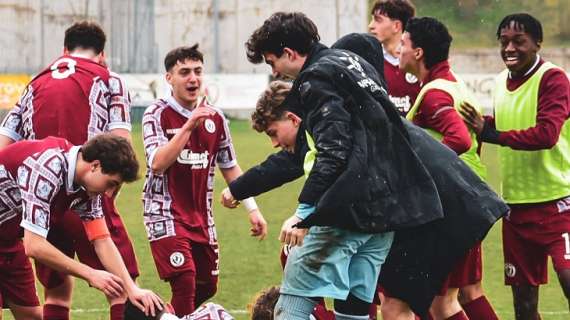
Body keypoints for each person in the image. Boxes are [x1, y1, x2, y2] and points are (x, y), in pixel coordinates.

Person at [223, 12, 508, 319]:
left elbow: (336, 152)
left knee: (299, 279)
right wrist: (240, 189)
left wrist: (303, 213)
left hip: (376, 203)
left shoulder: (314, 79)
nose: (275, 71)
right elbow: (306, 155)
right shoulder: (348, 62)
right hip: (390, 209)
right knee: (370, 298)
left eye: (271, 61)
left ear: (290, 54)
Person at [0, 21, 140, 320]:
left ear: (64, 50)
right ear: (102, 55)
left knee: (56, 291)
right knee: (119, 290)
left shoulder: (34, 83)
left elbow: (4, 141)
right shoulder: (109, 79)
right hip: (46, 197)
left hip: (35, 213)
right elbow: (122, 143)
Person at [141, 44, 267, 318]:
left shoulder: (216, 118)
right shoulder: (156, 114)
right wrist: (188, 127)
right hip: (164, 213)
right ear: (169, 78)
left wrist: (253, 209)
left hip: (201, 217)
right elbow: (158, 162)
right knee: (185, 280)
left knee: (206, 284)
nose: (193, 78)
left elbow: (230, 167)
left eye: (197, 71)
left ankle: (160, 316)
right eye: (184, 72)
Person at [460, 13, 570, 320]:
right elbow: (508, 125)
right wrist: (475, 128)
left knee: (568, 280)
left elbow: (546, 134)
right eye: (504, 41)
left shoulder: (553, 78)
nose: (510, 48)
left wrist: (490, 132)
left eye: (519, 41)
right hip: (517, 210)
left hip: (559, 203)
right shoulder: (498, 82)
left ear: (537, 43)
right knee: (523, 306)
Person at [0, 134, 163, 319]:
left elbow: (101, 239)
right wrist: (90, 273)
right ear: (94, 165)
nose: (109, 194)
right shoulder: (47, 168)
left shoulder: (85, 186)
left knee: (32, 316)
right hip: (13, 241)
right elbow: (34, 245)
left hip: (7, 244)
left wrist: (131, 288)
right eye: (111, 184)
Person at [400, 16, 498, 320]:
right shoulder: (455, 86)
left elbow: (459, 139)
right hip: (470, 199)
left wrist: (420, 171)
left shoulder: (435, 94)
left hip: (452, 204)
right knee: (467, 291)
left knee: (439, 302)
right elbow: (474, 142)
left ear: (418, 52)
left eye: (403, 44)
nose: (398, 51)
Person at [368, 0, 420, 116]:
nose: (370, 26)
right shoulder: (370, 61)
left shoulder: (421, 61)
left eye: (378, 20)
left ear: (396, 26)